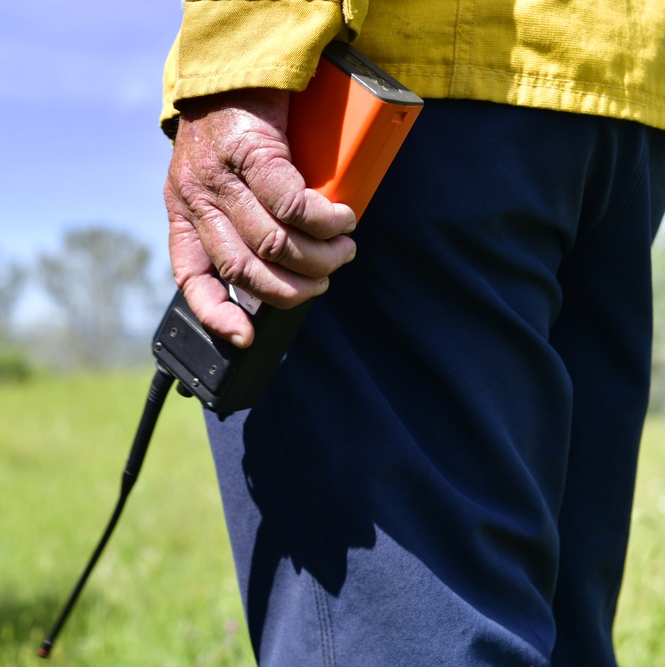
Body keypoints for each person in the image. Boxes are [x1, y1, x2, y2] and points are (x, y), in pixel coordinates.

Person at [160, 2, 665, 665]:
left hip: (418, 92)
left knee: (408, 641)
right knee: (562, 634)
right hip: (621, 96)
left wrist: (245, 52)